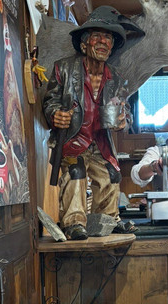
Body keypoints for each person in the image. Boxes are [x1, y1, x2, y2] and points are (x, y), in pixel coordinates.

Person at [43, 6, 143, 240]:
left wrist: (123, 121)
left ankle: (107, 220)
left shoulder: (116, 79)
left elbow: (126, 112)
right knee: (76, 171)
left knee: (112, 174)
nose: (103, 42)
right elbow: (51, 100)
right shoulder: (64, 68)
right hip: (74, 139)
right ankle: (74, 223)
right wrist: (55, 114)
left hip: (100, 142)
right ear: (84, 44)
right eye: (97, 36)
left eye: (108, 38)